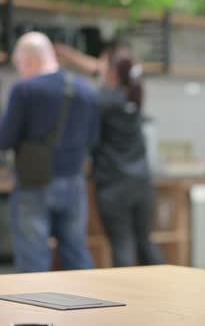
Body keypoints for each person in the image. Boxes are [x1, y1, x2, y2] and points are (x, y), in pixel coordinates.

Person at [56, 43, 162, 267]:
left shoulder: (102, 101)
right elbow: (104, 69)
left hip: (114, 185)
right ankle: (159, 292)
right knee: (145, 243)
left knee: (122, 244)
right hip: (141, 182)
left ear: (111, 71)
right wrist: (69, 54)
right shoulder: (132, 95)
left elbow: (90, 138)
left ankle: (125, 299)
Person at [0, 32, 99, 272]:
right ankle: (92, 306)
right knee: (76, 254)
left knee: (34, 257)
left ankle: (35, 311)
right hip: (74, 182)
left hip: (34, 183)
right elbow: (94, 139)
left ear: (27, 60)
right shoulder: (86, 90)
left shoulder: (25, 90)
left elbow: (5, 139)